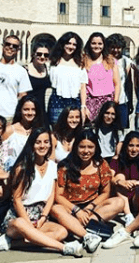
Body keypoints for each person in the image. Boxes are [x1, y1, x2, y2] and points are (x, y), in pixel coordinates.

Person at [0, 128, 84, 257]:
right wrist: (28, 224)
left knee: (62, 232)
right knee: (21, 224)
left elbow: (51, 195)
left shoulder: (52, 165)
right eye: (38, 142)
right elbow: (16, 200)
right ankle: (64, 247)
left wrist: (44, 216)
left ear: (51, 144)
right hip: (19, 217)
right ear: (32, 144)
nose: (42, 146)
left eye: (46, 142)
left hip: (39, 215)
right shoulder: (22, 167)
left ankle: (13, 243)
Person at [51, 129, 124, 253]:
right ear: (76, 148)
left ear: (96, 148)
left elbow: (105, 193)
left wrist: (89, 208)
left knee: (119, 202)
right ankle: (88, 233)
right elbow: (58, 196)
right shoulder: (65, 166)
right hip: (70, 208)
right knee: (55, 209)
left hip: (92, 208)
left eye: (90, 147)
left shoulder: (101, 164)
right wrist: (77, 210)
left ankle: (75, 227)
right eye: (82, 147)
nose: (86, 151)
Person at [48, 32, 88, 125]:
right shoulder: (53, 62)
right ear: (63, 44)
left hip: (74, 101)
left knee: (73, 129)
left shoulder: (80, 63)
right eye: (68, 43)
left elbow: (83, 87)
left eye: (74, 44)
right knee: (56, 127)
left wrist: (83, 106)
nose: (71, 47)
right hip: (57, 100)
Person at [83, 32, 121, 121]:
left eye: (100, 43)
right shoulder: (83, 62)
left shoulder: (111, 61)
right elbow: (83, 86)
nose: (97, 46)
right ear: (89, 44)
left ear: (104, 45)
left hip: (107, 101)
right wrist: (84, 106)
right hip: (90, 102)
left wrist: (115, 102)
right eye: (94, 43)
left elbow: (117, 84)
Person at [2, 96, 46, 167]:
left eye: (33, 109)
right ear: (20, 110)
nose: (30, 113)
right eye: (26, 109)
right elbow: (6, 153)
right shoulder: (10, 130)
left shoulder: (40, 131)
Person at [0, 35, 32, 122]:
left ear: (18, 50)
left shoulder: (21, 71)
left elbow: (23, 97)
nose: (10, 47)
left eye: (15, 46)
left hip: (9, 116)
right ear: (3, 46)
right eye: (8, 44)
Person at [105, 33, 133, 128]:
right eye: (113, 47)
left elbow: (129, 83)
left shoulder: (126, 61)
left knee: (121, 130)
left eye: (118, 47)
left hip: (121, 101)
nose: (116, 50)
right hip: (106, 101)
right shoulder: (103, 61)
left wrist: (130, 102)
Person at [25, 40, 51, 121]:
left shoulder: (48, 70)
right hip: (28, 111)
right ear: (33, 54)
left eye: (46, 55)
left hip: (42, 112)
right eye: (39, 54)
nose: (42, 57)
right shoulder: (25, 70)